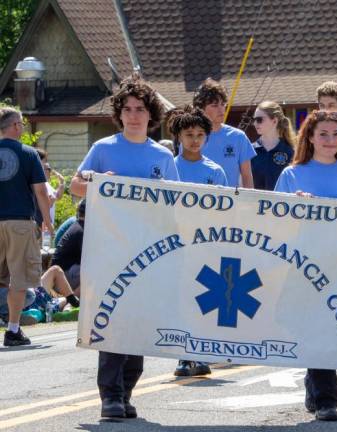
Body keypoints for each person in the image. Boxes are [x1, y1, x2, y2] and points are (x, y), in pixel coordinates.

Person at [70, 75, 179, 419]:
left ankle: (128, 391)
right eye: (128, 109)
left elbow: (178, 204)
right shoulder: (103, 148)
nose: (134, 115)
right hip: (110, 249)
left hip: (149, 251)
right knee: (113, 321)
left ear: (151, 115)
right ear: (119, 114)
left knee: (138, 324)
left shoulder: (163, 155)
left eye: (140, 109)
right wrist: (100, 184)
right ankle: (111, 396)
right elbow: (76, 186)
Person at [275, 110, 337, 422]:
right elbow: (273, 218)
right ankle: (317, 383)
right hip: (301, 263)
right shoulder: (291, 174)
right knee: (306, 325)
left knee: (326, 327)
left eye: (336, 134)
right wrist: (293, 204)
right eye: (323, 134)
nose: (330, 140)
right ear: (310, 138)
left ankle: (326, 398)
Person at [167, 105, 226, 376]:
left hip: (205, 243)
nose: (194, 140)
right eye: (189, 134)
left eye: (200, 135)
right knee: (179, 298)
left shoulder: (215, 171)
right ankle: (183, 354)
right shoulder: (169, 167)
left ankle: (200, 352)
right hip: (174, 243)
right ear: (178, 136)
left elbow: (224, 209)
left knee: (202, 297)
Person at [0, 106, 54, 345]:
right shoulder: (29, 153)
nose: (21, 127)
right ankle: (13, 330)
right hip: (19, 222)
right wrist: (48, 222)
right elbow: (41, 191)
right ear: (14, 126)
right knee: (18, 279)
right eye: (20, 123)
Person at [192, 78, 255, 188]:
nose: (221, 109)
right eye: (215, 105)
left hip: (231, 203)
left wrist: (249, 204)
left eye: (223, 104)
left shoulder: (239, 137)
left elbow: (247, 177)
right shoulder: (190, 138)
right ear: (201, 108)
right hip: (199, 201)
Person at [250, 100, 295, 190]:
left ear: (274, 121)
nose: (255, 123)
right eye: (254, 120)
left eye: (259, 120)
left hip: (282, 203)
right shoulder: (249, 150)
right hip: (253, 203)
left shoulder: (291, 151)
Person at [51, 199, 85, 296]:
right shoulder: (82, 230)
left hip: (58, 275)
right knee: (94, 274)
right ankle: (70, 303)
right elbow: (88, 259)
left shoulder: (77, 225)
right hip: (62, 278)